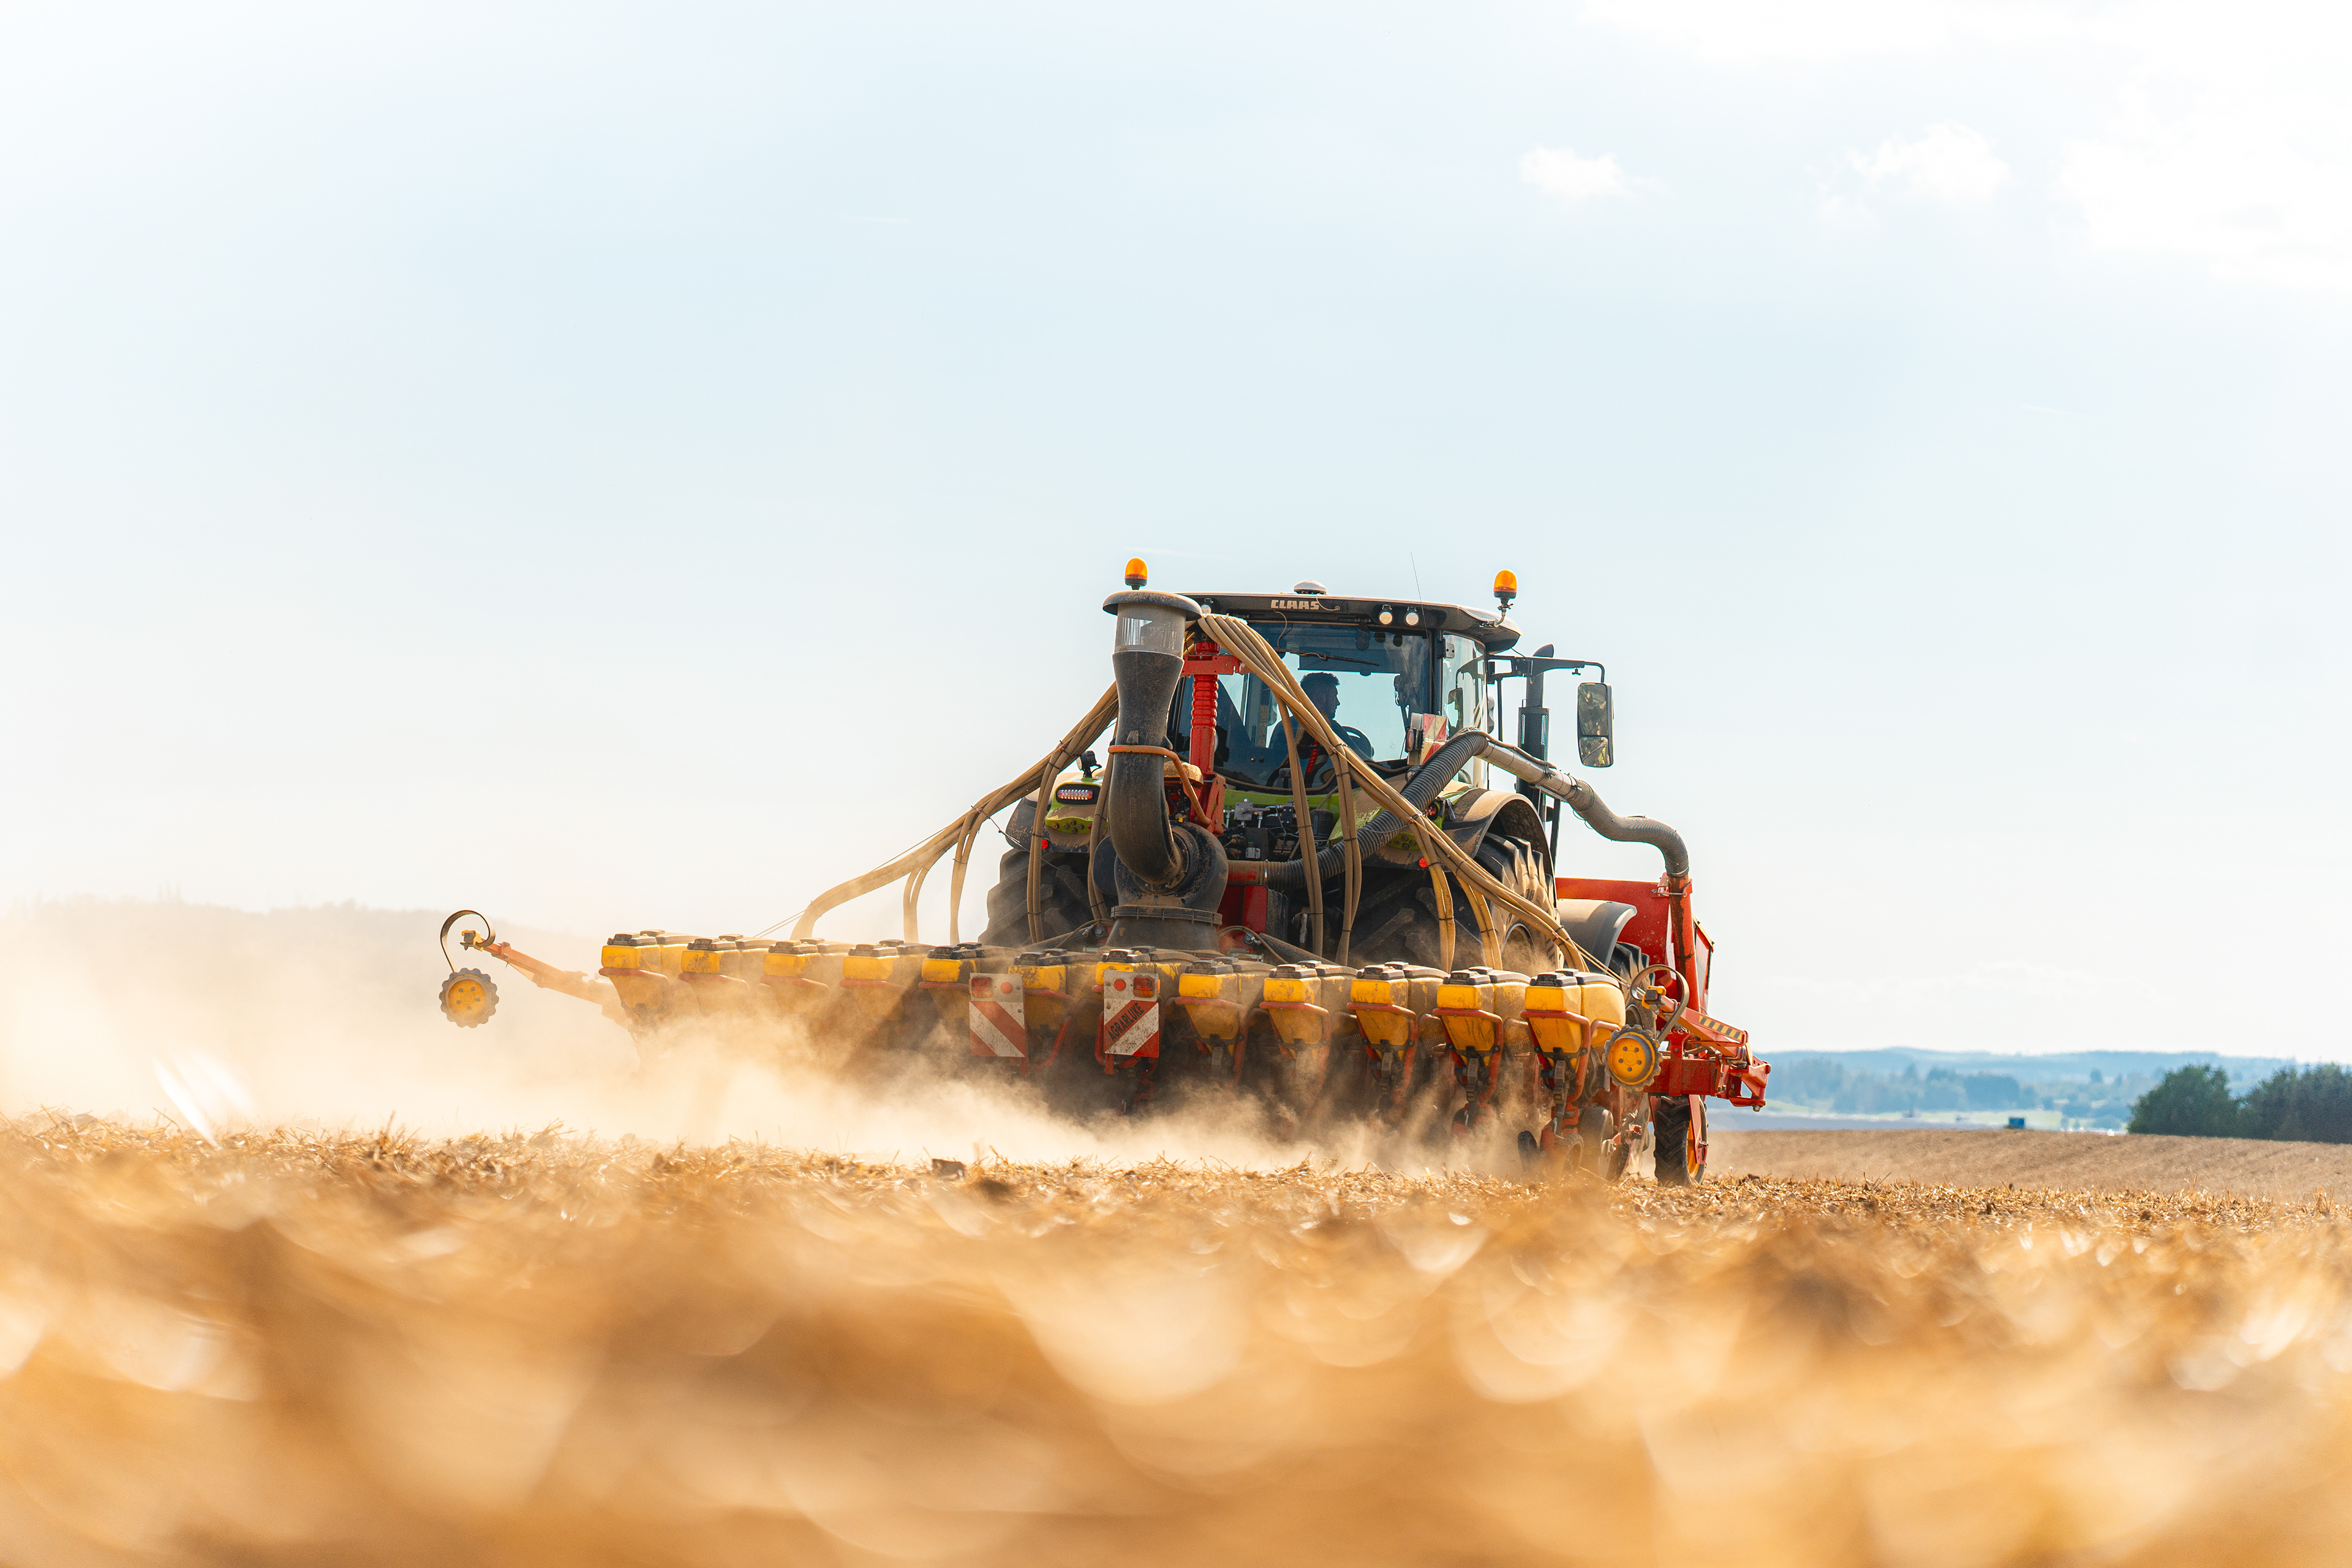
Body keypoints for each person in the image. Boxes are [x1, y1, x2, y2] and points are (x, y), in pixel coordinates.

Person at [1279, 671, 1376, 786]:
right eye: (1335, 696)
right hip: (1325, 791)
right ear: (1322, 697)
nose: (1338, 703)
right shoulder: (1330, 728)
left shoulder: (1283, 726)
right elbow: (1364, 765)